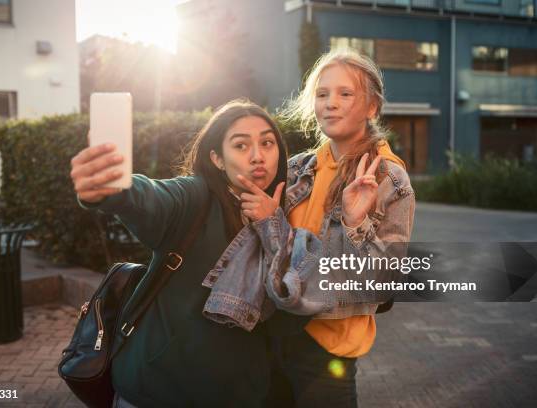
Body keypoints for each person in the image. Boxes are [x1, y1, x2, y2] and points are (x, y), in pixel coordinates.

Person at [69, 99, 288, 407]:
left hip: (241, 395)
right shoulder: (194, 198)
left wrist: (272, 225)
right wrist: (114, 188)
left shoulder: (286, 213)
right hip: (158, 391)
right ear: (218, 159)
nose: (257, 155)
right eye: (241, 146)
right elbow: (154, 198)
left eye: (267, 142)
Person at [237, 48, 416, 407]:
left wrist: (354, 222)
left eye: (345, 93)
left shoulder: (388, 178)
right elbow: (273, 252)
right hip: (273, 334)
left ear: (372, 107)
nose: (330, 103)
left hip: (326, 352)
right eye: (322, 94)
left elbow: (380, 285)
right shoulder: (300, 167)